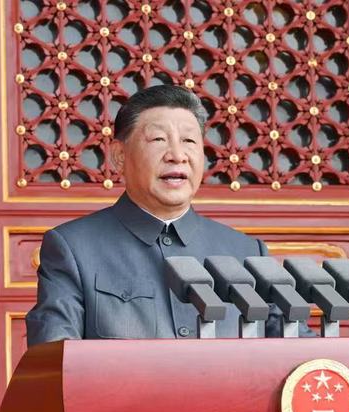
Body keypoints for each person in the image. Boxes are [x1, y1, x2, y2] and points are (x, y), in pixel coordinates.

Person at [26, 85, 313, 346]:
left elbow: (300, 353)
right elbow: (54, 359)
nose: (177, 155)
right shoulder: (74, 248)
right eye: (158, 139)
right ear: (119, 156)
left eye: (189, 140)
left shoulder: (246, 252)